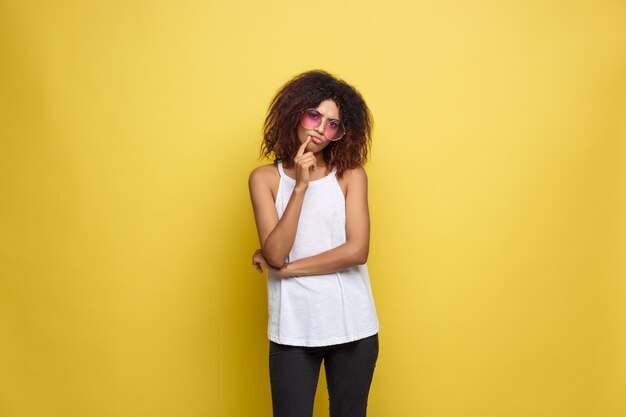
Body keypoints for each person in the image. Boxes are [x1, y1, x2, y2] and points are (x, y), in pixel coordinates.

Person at [248, 69, 380, 417]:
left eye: (333, 124)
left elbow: (357, 251)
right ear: (294, 113)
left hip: (352, 326)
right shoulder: (265, 179)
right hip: (292, 328)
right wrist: (301, 186)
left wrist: (288, 270)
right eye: (314, 116)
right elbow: (274, 251)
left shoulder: (350, 175)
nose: (321, 129)